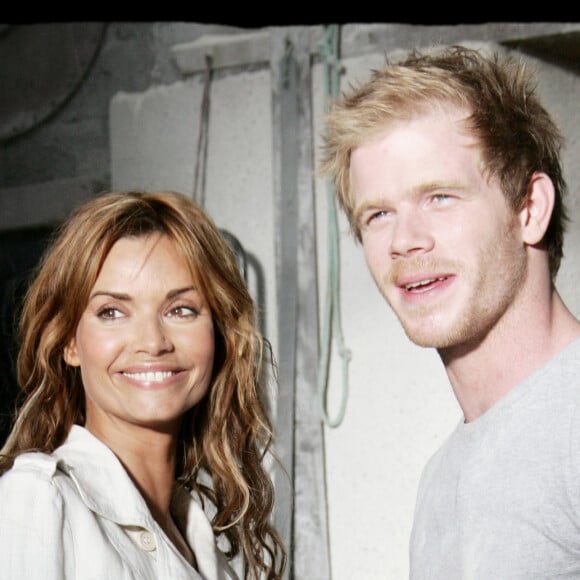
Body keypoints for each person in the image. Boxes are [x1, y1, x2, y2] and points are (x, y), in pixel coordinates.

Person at [319, 44, 580, 578]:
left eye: (440, 197)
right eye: (378, 214)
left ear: (529, 210)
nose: (404, 241)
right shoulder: (440, 480)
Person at [0, 190, 287, 580]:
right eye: (112, 312)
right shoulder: (37, 500)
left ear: (218, 335)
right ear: (69, 342)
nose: (152, 342)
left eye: (180, 310)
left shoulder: (204, 550)